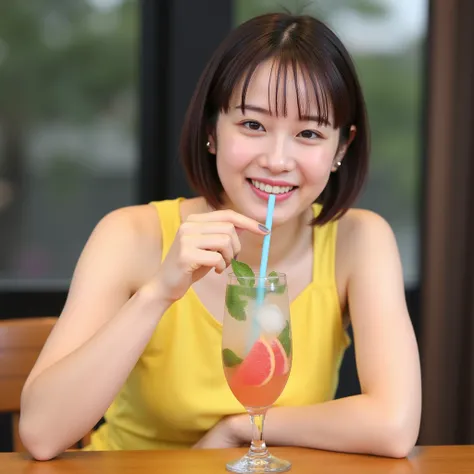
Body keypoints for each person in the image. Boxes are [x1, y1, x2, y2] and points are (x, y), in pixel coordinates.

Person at [19, 12, 421, 461]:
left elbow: (394, 425)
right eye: (253, 125)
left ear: (340, 149)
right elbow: (40, 433)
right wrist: (159, 292)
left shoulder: (359, 240)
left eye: (309, 133)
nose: (276, 159)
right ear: (212, 129)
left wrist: (236, 431)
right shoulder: (130, 235)